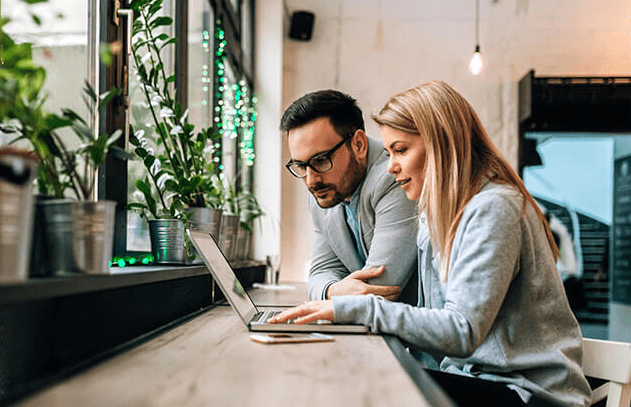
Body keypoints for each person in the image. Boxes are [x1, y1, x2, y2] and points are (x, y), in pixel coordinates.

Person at [272, 81, 592, 407]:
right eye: (389, 151)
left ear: (441, 145)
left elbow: (462, 330)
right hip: (479, 379)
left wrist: (354, 306)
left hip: (528, 393)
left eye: (400, 150)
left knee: (364, 388)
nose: (391, 165)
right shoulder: (439, 215)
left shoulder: (493, 207)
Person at [280, 90, 419, 305]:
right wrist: (333, 291)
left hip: (412, 332)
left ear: (359, 145)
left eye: (321, 160)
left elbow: (378, 288)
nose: (310, 181)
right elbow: (321, 272)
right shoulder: (325, 190)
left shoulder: (395, 177)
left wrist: (333, 292)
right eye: (301, 166)